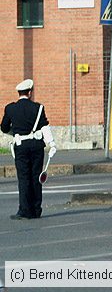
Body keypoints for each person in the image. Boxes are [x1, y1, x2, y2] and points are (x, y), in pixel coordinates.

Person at [1, 79, 56, 219]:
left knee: (24, 178)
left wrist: (17, 133)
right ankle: (36, 209)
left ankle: (25, 210)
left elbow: (4, 128)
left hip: (21, 147)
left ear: (19, 93)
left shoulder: (10, 108)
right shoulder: (38, 108)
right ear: (30, 92)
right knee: (36, 177)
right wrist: (52, 143)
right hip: (37, 146)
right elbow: (44, 126)